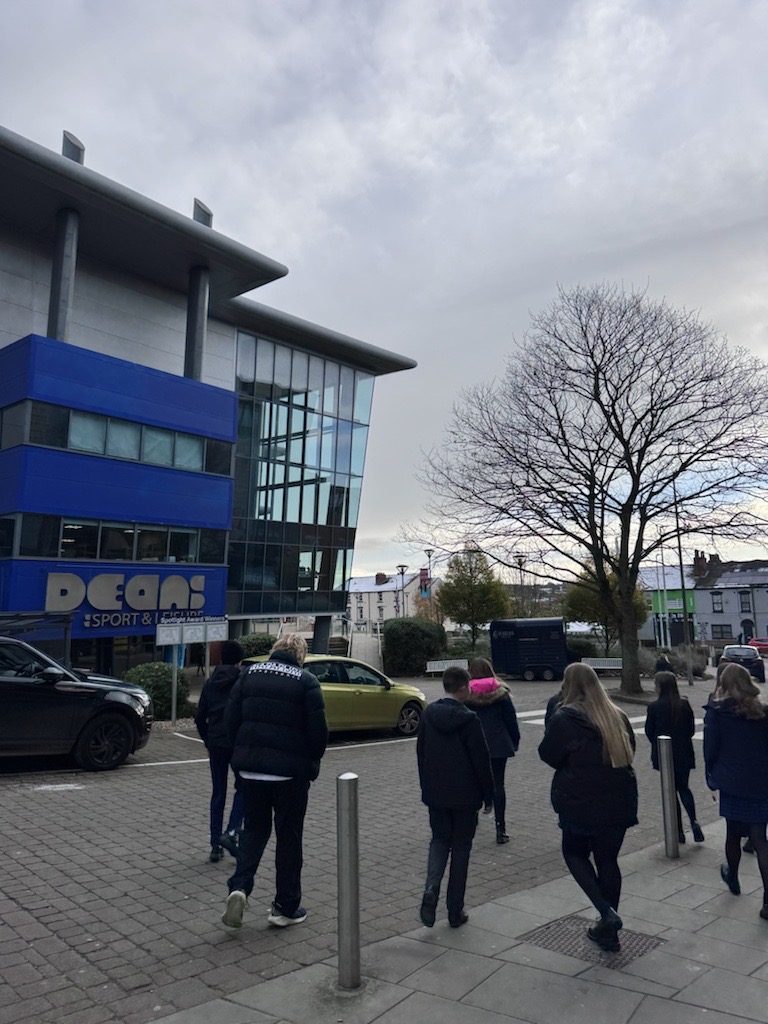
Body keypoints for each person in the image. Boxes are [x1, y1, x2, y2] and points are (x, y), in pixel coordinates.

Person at [221, 634, 328, 929]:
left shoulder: (248, 675)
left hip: (251, 772)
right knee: (289, 837)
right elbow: (318, 732)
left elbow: (230, 721)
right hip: (289, 775)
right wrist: (311, 763)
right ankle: (285, 906)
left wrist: (240, 755)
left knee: (253, 832)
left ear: (275, 651)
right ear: (300, 655)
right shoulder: (306, 681)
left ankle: (239, 887)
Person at [538, 663, 638, 952]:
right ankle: (609, 931)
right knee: (608, 861)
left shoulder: (565, 718)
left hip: (580, 800)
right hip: (618, 798)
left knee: (574, 852)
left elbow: (548, 755)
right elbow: (630, 750)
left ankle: (606, 913)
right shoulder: (616, 715)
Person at [417, 665, 494, 929]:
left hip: (436, 793)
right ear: (463, 687)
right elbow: (481, 761)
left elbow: (421, 754)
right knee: (461, 848)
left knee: (439, 841)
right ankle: (454, 909)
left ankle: (431, 887)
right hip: (465, 796)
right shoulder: (470, 720)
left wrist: (426, 787)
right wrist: (489, 796)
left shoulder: (428, 715)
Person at [703, 662, 768, 919]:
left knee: (732, 832)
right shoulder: (763, 712)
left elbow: (711, 749)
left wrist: (712, 776)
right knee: (760, 839)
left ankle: (733, 876)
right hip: (761, 781)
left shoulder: (718, 713)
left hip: (732, 781)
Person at [194, 640, 246, 862]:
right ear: (239, 661)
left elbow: (199, 717)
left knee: (218, 793)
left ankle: (215, 845)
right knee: (243, 788)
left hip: (216, 743)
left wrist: (207, 739)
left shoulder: (209, 683)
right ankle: (232, 831)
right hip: (237, 743)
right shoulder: (242, 681)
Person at [465, 656, 520, 844]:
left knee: (473, 783)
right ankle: (500, 829)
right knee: (499, 785)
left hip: (473, 746)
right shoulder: (500, 692)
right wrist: (514, 741)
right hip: (498, 744)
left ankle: (473, 820)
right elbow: (510, 720)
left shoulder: (466, 694)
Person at [644, 671, 704, 844]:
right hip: (684, 753)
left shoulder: (654, 707)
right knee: (684, 788)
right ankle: (694, 821)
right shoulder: (684, 704)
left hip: (665, 755)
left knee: (671, 792)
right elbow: (691, 730)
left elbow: (650, 732)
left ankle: (677, 831)